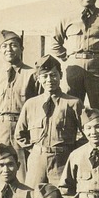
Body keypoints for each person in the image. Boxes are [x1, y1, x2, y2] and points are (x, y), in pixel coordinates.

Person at [14, 58, 83, 190]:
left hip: (62, 160)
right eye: (44, 76)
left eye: (53, 75)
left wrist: (72, 150)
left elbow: (87, 134)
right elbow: (19, 135)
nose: (49, 80)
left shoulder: (73, 103)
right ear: (38, 78)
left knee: (63, 196)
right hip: (37, 160)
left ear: (60, 76)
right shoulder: (31, 104)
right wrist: (35, 149)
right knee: (33, 196)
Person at [0, 29, 43, 150]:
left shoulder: (33, 75)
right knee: (0, 163)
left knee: (24, 165)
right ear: (0, 50)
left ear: (22, 49)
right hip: (0, 130)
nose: (8, 49)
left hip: (25, 128)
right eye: (4, 46)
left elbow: (41, 102)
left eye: (14, 45)